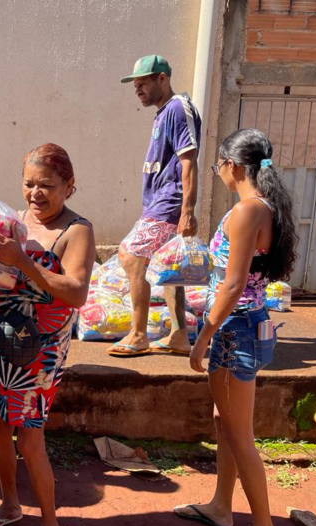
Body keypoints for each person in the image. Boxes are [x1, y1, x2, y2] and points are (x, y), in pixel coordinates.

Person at [0, 143, 95, 526]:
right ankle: (9, 504)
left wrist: (21, 259)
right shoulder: (15, 221)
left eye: (47, 185)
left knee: (30, 437)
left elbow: (75, 292)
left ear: (69, 187)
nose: (35, 193)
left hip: (36, 352)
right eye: (28, 183)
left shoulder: (76, 231)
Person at [174, 129, 297, 526]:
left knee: (240, 435)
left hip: (235, 328)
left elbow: (232, 286)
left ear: (233, 165)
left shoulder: (247, 211)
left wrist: (201, 338)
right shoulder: (265, 208)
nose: (218, 172)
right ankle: (221, 507)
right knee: (224, 421)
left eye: (218, 165)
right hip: (250, 324)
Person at [109, 54, 201, 357]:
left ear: (163, 78)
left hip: (169, 200)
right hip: (159, 199)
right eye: (135, 85)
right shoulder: (163, 112)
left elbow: (189, 162)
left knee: (132, 255)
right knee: (169, 267)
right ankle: (178, 335)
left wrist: (187, 211)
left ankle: (137, 335)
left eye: (143, 83)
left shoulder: (178, 108)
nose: (138, 90)